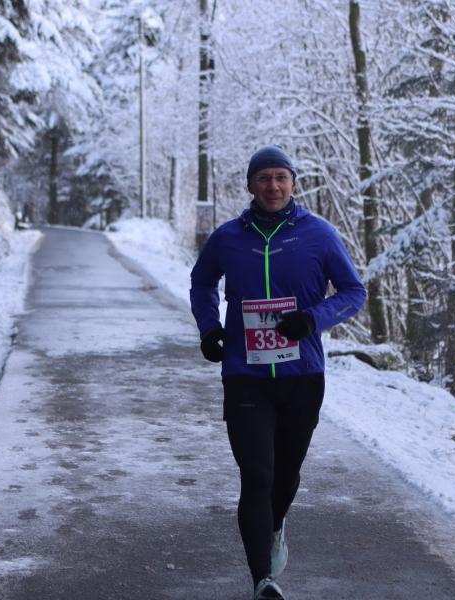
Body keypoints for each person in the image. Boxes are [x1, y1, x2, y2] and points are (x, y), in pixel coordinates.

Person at [189, 146, 367, 600]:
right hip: (245, 376)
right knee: (258, 475)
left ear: (293, 183)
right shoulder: (228, 238)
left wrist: (313, 319)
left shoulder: (320, 235)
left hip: (302, 376)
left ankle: (276, 523)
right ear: (250, 185)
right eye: (263, 177)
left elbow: (353, 291)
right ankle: (262, 580)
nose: (272, 185)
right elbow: (202, 282)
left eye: (280, 177)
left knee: (285, 475)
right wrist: (210, 328)